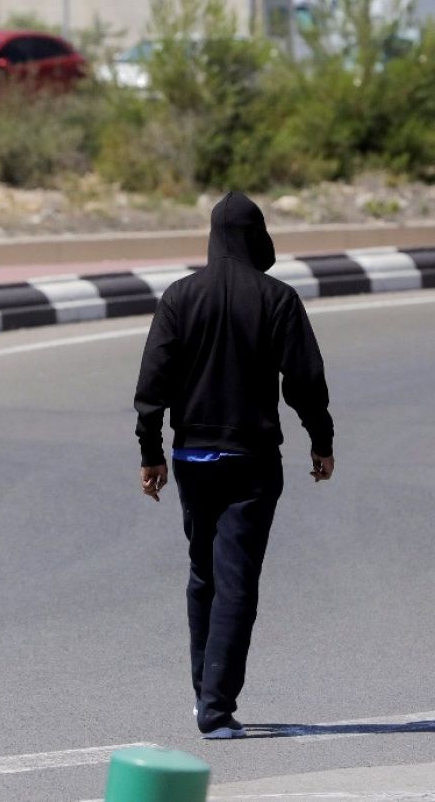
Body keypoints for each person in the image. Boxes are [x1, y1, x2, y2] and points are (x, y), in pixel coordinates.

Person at [133, 190, 336, 740]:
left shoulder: (179, 297)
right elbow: (305, 381)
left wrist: (151, 451)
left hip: (192, 459)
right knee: (237, 581)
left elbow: (152, 382)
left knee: (204, 573)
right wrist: (321, 439)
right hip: (251, 462)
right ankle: (217, 709)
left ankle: (205, 692)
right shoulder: (278, 298)